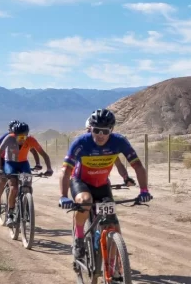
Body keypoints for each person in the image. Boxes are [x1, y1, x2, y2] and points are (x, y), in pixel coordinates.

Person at [59, 109, 152, 259]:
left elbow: (138, 166)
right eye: (97, 130)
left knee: (112, 221)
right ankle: (79, 238)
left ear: (112, 130)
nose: (101, 135)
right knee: (85, 201)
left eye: (105, 131)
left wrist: (144, 190)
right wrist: (63, 196)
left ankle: (115, 267)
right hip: (81, 182)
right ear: (90, 129)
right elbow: (65, 170)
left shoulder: (119, 141)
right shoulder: (81, 142)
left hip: (102, 184)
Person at [0, 122, 53, 227]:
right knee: (14, 187)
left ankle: (26, 203)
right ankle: (10, 215)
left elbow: (44, 154)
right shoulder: (9, 138)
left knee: (27, 185)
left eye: (24, 136)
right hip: (10, 163)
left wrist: (49, 168)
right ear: (14, 134)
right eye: (19, 136)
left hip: (23, 164)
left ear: (27, 134)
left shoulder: (31, 140)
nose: (21, 139)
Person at [0, 120, 43, 215]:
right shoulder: (7, 137)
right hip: (3, 159)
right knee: (3, 180)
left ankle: (25, 202)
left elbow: (33, 150)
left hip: (18, 161)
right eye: (13, 132)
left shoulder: (23, 138)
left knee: (25, 181)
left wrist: (38, 163)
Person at [84, 117, 136, 187]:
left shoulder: (108, 148)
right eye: (90, 131)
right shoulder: (84, 145)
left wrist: (126, 178)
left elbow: (119, 165)